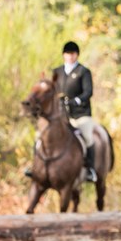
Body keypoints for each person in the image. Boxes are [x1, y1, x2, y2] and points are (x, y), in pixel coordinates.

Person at [25, 41, 98, 182]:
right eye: (67, 54)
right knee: (39, 136)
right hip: (60, 115)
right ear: (63, 55)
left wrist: (75, 101)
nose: (70, 56)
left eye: (73, 54)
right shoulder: (56, 72)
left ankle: (90, 169)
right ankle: (34, 165)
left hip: (80, 114)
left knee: (88, 137)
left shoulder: (83, 72)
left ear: (77, 55)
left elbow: (88, 92)